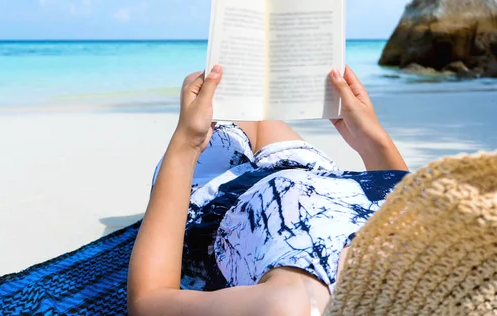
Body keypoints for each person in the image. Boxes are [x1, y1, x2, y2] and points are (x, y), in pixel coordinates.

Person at [127, 65, 409, 316]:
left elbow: (149, 300)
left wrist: (187, 142)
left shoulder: (297, 301)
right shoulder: (424, 256)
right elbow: (401, 195)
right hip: (310, 171)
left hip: (218, 201)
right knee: (242, 94)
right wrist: (371, 138)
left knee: (206, 82)